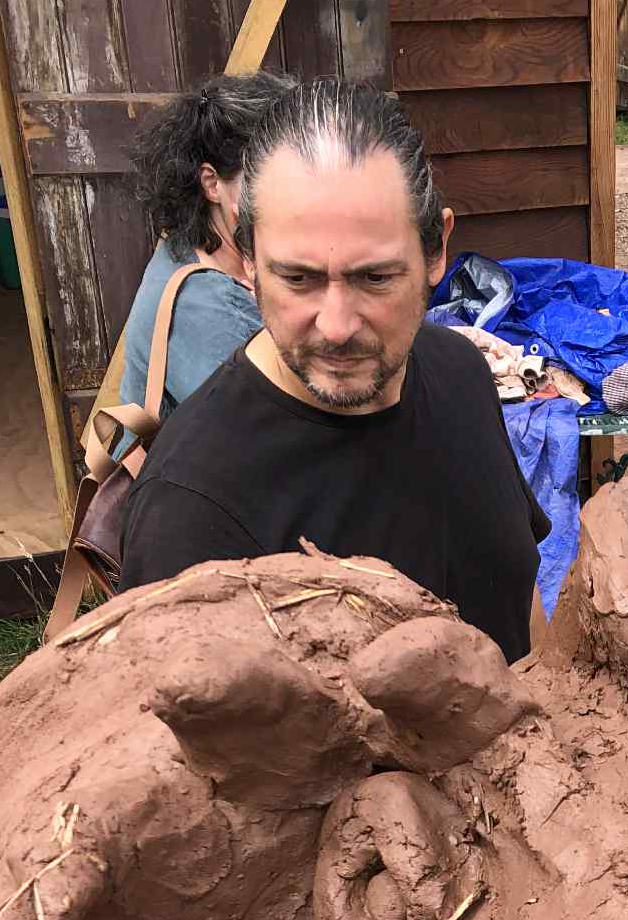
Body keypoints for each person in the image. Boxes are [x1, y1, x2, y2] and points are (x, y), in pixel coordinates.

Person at [118, 81, 547, 663]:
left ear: (437, 250)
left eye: (375, 278)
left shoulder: (462, 374)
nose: (338, 325)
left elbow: (519, 591)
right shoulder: (192, 507)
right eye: (299, 279)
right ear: (247, 259)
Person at [120, 69, 294, 420]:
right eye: (266, 179)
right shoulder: (210, 309)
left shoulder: (189, 248)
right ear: (212, 183)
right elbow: (278, 433)